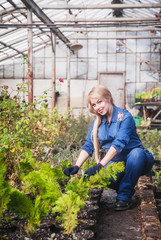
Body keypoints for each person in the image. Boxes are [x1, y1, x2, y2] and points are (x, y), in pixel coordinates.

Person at [64, 85, 154, 211]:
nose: (97, 107)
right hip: (116, 162)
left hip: (137, 160)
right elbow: (88, 145)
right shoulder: (97, 123)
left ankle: (124, 197)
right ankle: (124, 185)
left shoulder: (125, 117)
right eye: (94, 105)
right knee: (104, 178)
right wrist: (76, 166)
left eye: (99, 102)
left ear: (108, 98)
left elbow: (119, 143)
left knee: (136, 154)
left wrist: (99, 165)